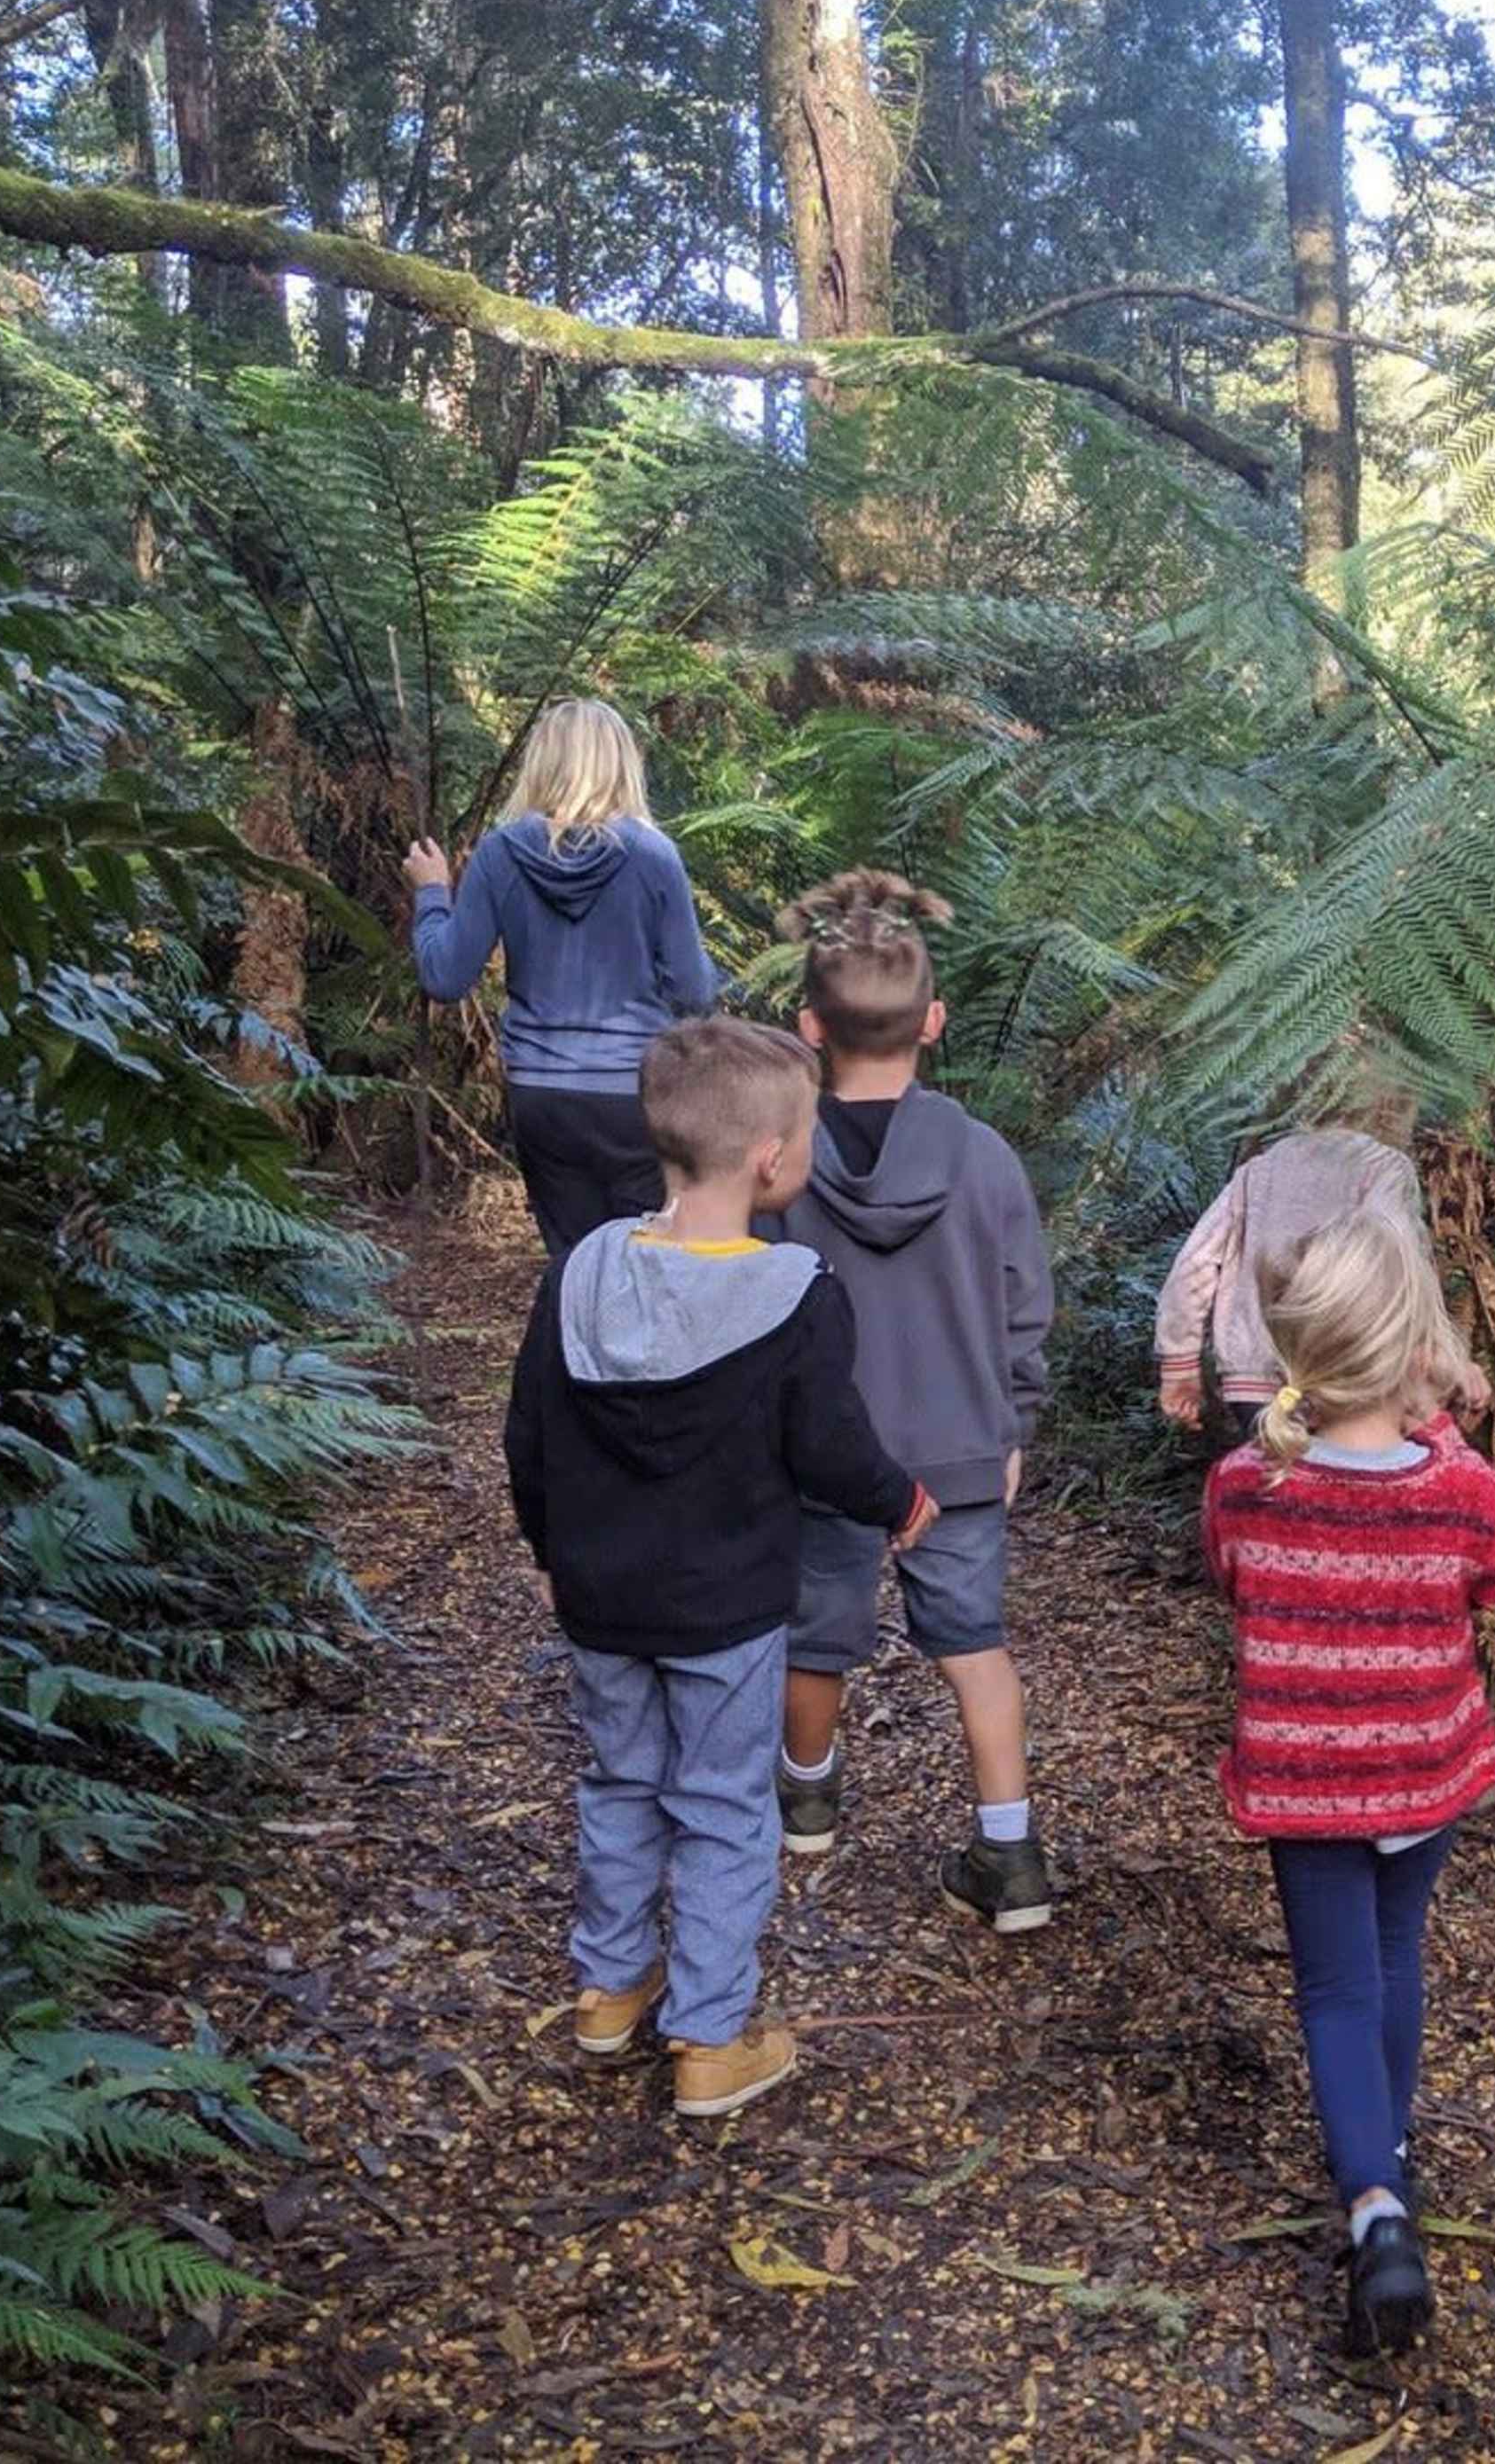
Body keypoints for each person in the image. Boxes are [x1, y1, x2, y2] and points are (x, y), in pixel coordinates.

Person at [502, 1017, 935, 2118]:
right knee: (725, 1804)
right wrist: (901, 1500)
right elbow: (829, 1447)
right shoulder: (793, 1293)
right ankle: (708, 2033)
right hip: (726, 1610)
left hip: (601, 1599)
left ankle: (607, 1987)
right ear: (769, 1160)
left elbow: (530, 1433)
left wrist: (550, 1550)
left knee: (619, 1781)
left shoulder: (584, 1273)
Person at [1202, 1213, 1495, 2355]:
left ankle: (1377, 2207)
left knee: (1337, 1989)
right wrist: (1441, 1428)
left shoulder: (1247, 1484)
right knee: (1397, 1958)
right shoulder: (1461, 1487)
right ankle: (1380, 2154)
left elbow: (1230, 1573)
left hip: (1305, 1778)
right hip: (1420, 1768)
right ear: (1416, 1351)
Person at [762, 872, 1058, 1934]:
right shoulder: (985, 1160)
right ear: (934, 1022)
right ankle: (1010, 1854)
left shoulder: (783, 1167)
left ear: (807, 1029)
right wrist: (1014, 1420)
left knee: (815, 1635)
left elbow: (763, 1308)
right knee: (975, 1642)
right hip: (960, 1446)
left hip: (826, 1451)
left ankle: (806, 1795)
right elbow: (1026, 1303)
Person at [408, 699, 723, 1257]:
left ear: (542, 762)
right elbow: (694, 992)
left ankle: (569, 1345)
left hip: (541, 1095)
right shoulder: (654, 856)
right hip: (634, 1094)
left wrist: (433, 893)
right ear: (621, 763)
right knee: (645, 1259)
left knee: (574, 1263)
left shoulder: (499, 854)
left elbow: (444, 976)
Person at [1153, 1113, 1484, 1437]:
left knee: (1271, 1486)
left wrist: (1179, 1367)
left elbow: (1195, 1265)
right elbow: (1399, 1273)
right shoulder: (1382, 1166)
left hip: (1253, 1387)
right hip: (1349, 1383)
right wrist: (1448, 1361)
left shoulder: (1255, 1174)